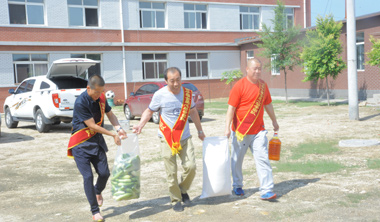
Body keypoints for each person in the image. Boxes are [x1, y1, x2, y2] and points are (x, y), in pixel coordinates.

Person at [133, 67, 205, 212]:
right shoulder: (159, 95)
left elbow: (193, 112)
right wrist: (140, 125)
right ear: (166, 81)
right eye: (172, 81)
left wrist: (200, 130)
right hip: (167, 139)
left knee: (191, 167)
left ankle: (182, 190)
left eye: (178, 80)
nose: (176, 83)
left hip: (184, 137)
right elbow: (149, 111)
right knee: (171, 172)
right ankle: (176, 199)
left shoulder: (187, 94)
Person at [67, 75, 127, 221]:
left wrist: (118, 128)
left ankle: (97, 191)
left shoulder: (101, 99)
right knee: (88, 176)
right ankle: (95, 212)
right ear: (88, 88)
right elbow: (92, 125)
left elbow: (110, 114)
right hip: (81, 145)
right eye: (96, 92)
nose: (99, 95)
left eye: (101, 92)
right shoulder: (81, 102)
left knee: (105, 173)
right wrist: (112, 134)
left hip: (96, 142)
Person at [225, 58, 279, 200]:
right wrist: (227, 128)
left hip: (258, 131)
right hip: (241, 132)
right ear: (247, 69)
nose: (257, 71)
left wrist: (274, 121)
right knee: (236, 160)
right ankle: (237, 185)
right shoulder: (239, 86)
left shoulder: (263, 86)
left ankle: (266, 190)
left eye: (259, 68)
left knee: (262, 159)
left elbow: (268, 104)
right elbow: (231, 108)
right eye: (254, 68)